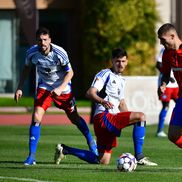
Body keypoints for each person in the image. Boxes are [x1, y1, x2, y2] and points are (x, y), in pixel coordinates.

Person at [54, 48, 157, 166]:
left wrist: (128, 119)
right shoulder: (105, 74)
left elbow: (121, 104)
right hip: (104, 117)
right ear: (112, 61)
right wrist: (102, 101)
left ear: (127, 61)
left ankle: (65, 149)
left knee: (103, 160)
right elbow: (90, 92)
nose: (121, 64)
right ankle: (139, 156)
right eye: (118, 61)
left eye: (123, 61)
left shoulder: (121, 80)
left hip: (108, 120)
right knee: (141, 116)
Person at [14, 27, 97, 165]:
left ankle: (90, 140)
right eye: (40, 40)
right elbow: (26, 68)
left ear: (50, 40)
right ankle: (31, 156)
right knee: (36, 117)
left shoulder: (60, 53)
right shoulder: (31, 53)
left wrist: (60, 88)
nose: (43, 43)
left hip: (63, 88)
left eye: (45, 40)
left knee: (74, 118)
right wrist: (19, 87)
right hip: (44, 87)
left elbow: (70, 73)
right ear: (36, 41)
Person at [157, 23, 182, 148]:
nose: (161, 43)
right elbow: (166, 74)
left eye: (163, 40)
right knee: (173, 135)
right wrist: (163, 84)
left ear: (172, 36)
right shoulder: (167, 54)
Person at [156, 47, 179, 137]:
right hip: (167, 85)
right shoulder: (165, 50)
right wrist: (168, 76)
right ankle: (160, 130)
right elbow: (158, 64)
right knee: (165, 106)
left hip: (177, 85)